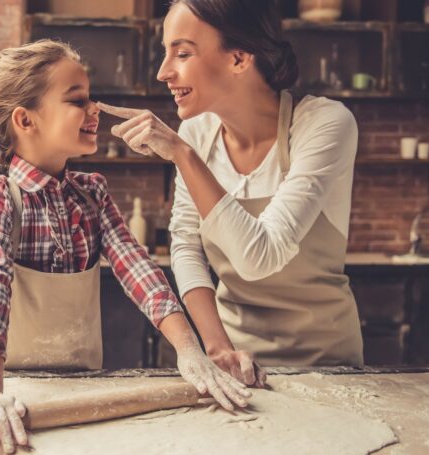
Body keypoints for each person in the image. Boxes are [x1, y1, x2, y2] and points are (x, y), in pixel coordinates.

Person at [0, 39, 250, 454]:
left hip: (85, 389)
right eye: (77, 100)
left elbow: (138, 269)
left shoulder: (91, 193)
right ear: (26, 120)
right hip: (17, 394)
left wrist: (190, 351)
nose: (94, 109)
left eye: (90, 98)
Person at [99, 0, 364, 389]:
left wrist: (182, 155)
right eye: (165, 52)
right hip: (237, 362)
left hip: (327, 365)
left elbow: (260, 256)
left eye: (183, 53)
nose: (163, 72)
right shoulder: (197, 134)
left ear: (239, 59)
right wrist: (217, 347)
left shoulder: (323, 125)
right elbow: (186, 244)